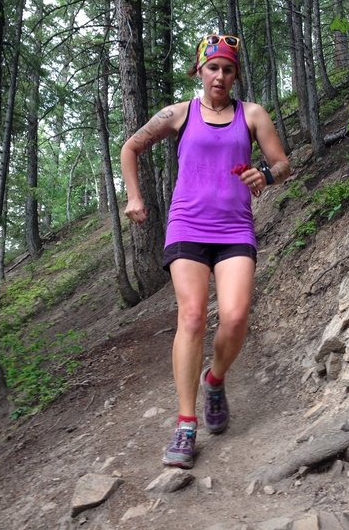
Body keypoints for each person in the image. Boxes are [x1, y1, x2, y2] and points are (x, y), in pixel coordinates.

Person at [120, 33, 291, 469]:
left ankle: (214, 380)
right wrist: (135, 197)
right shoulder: (178, 114)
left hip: (234, 227)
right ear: (200, 71)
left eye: (227, 69)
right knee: (192, 316)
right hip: (187, 226)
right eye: (212, 67)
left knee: (234, 317)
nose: (219, 75)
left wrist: (265, 177)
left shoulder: (251, 114)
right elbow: (131, 147)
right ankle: (185, 422)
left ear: (235, 75)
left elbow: (283, 163)